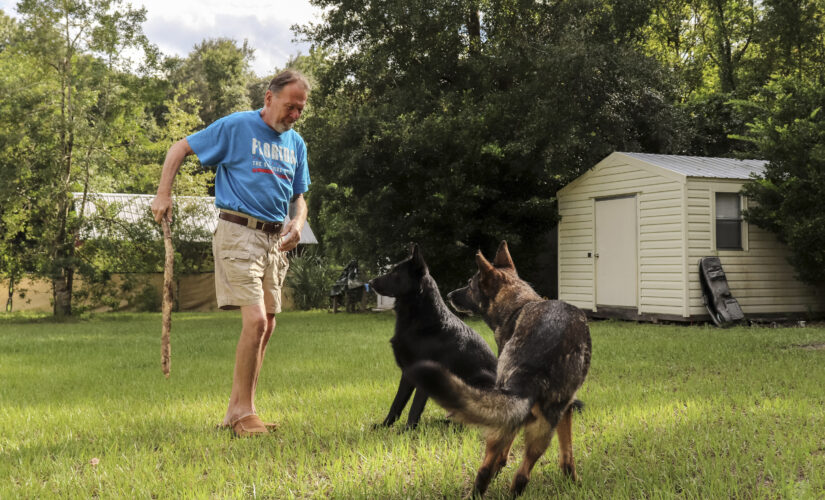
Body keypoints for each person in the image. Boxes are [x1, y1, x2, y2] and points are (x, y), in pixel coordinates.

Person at [151, 69, 310, 437]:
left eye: (301, 109)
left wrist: (297, 224)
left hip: (275, 241)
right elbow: (180, 147)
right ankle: (241, 413)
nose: (295, 115)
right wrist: (163, 193)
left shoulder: (296, 144)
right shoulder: (237, 127)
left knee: (268, 325)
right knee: (255, 321)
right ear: (269, 98)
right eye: (290, 106)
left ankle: (242, 410)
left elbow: (299, 197)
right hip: (239, 232)